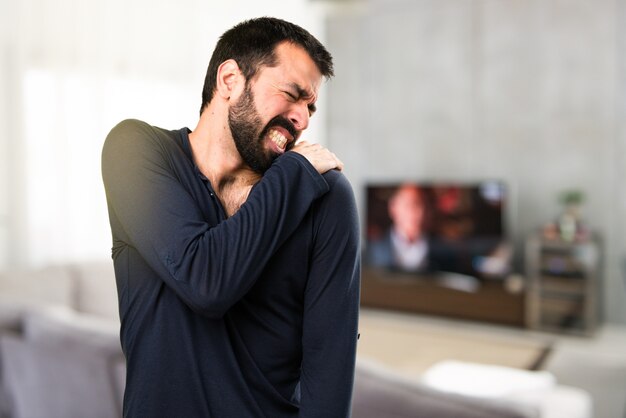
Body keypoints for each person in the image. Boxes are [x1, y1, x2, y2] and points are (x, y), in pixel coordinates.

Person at [101, 17, 360, 418]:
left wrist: (297, 177)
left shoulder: (326, 197)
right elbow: (205, 280)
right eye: (292, 94)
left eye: (310, 107)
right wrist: (294, 174)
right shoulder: (135, 152)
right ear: (229, 80)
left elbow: (331, 370)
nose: (303, 119)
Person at [367, 184, 431, 272]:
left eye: (423, 205)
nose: (419, 212)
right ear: (393, 207)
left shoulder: (445, 250)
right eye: (411, 204)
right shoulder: (371, 250)